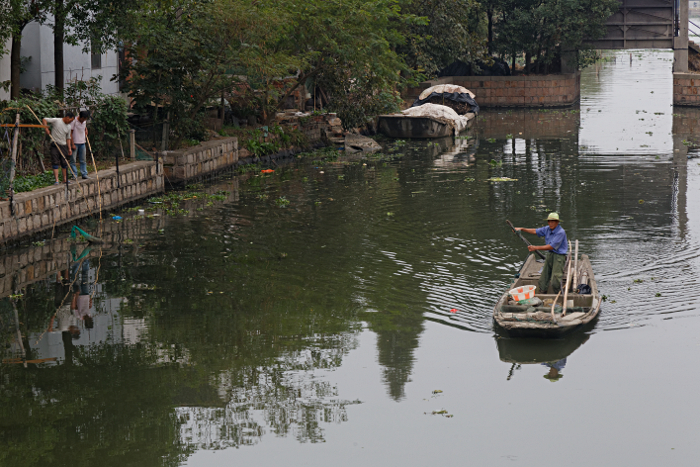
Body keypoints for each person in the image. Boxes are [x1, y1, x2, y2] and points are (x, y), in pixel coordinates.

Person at [514, 212, 568, 295]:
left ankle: (559, 296)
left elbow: (551, 246)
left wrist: (535, 247)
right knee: (543, 279)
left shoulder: (560, 232)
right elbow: (535, 231)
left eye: (553, 221)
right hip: (550, 255)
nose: (550, 223)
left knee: (555, 280)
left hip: (559, 257)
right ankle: (542, 294)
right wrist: (522, 229)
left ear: (557, 222)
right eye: (549, 221)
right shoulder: (547, 229)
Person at [43, 112, 75, 185]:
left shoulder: (69, 127)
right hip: (55, 143)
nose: (71, 122)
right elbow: (44, 119)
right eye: (71, 120)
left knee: (64, 162)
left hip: (63, 145)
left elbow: (68, 138)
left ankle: (65, 179)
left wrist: (69, 148)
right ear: (67, 117)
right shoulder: (57, 120)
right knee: (55, 161)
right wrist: (46, 128)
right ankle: (56, 180)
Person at [70, 110, 90, 180]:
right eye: (83, 119)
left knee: (83, 160)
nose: (84, 120)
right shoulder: (74, 121)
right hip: (75, 143)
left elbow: (84, 127)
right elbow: (70, 133)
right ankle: (74, 174)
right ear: (80, 117)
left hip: (82, 142)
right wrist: (72, 144)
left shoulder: (84, 121)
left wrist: (86, 129)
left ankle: (84, 173)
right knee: (73, 160)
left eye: (85, 119)